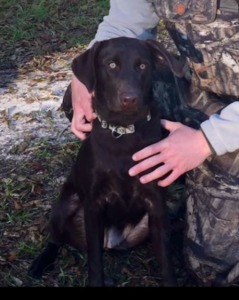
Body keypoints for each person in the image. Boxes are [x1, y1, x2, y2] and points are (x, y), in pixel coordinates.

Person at [70, 0, 239, 286]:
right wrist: (80, 82)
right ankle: (156, 176)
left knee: (212, 270)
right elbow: (125, 25)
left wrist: (206, 141)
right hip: (204, 95)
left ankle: (200, 174)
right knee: (94, 89)